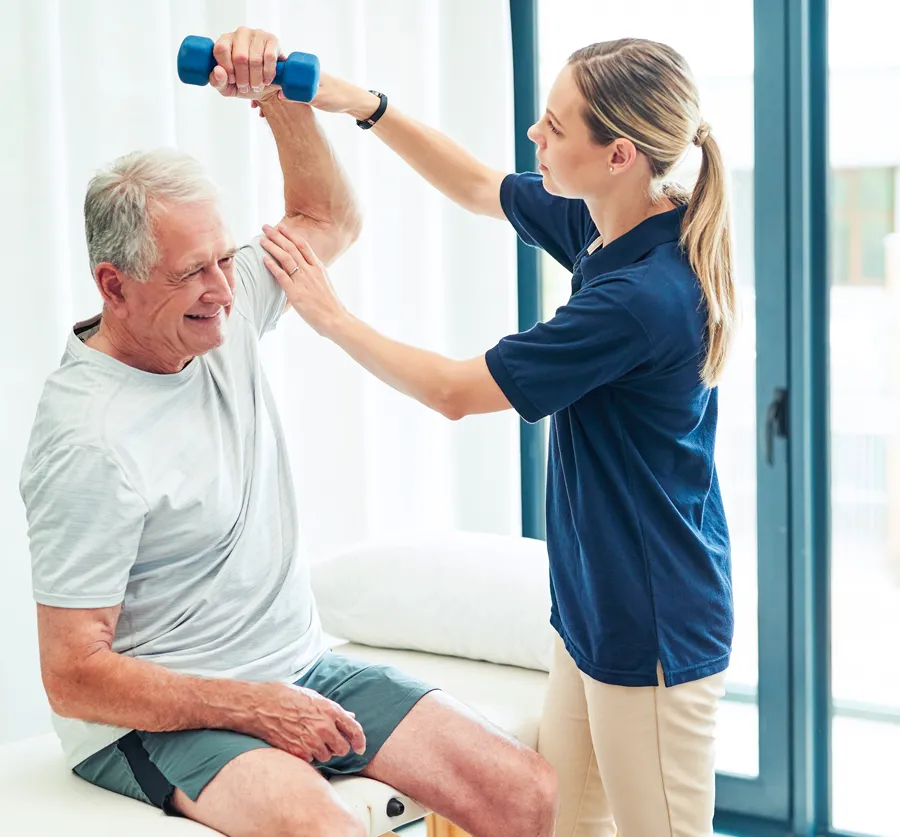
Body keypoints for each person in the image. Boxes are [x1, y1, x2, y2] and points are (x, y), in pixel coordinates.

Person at [19, 26, 557, 837]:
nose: (225, 289)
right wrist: (255, 706)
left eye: (222, 259)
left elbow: (324, 218)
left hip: (298, 666)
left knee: (527, 793)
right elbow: (73, 674)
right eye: (192, 272)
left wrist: (277, 98)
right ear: (113, 284)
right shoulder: (86, 440)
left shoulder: (213, 308)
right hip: (163, 719)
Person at [260, 36, 736, 837]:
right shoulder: (608, 222)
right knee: (561, 824)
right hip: (592, 604)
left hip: (651, 624)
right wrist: (363, 104)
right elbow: (480, 186)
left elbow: (453, 392)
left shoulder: (638, 298)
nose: (533, 137)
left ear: (618, 154)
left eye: (553, 125)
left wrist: (329, 314)